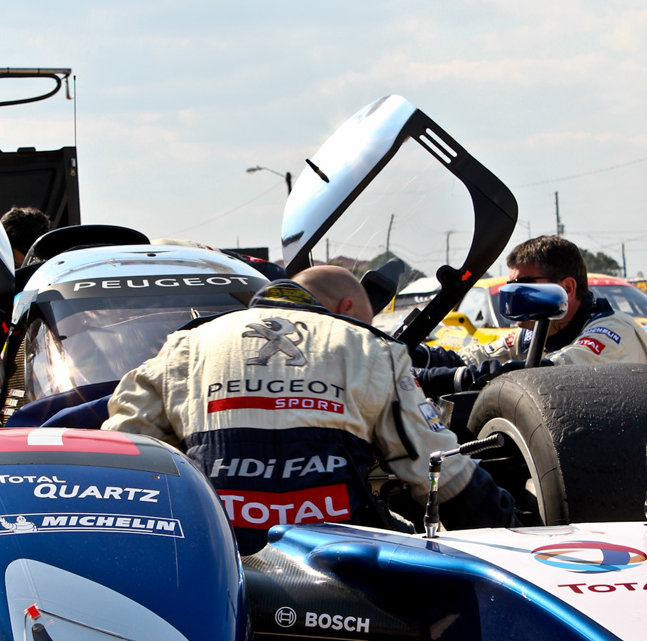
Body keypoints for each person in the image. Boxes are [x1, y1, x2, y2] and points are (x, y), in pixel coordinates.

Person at [102, 265, 514, 553]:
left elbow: (122, 454)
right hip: (334, 562)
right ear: (347, 309)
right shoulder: (370, 345)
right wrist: (506, 525)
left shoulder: (185, 345)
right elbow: (434, 463)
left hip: (220, 557)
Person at [414, 236, 647, 395]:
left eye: (524, 286)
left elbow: (546, 375)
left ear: (567, 289)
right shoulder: (535, 333)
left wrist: (425, 380)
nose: (514, 296)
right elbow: (473, 360)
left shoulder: (613, 333)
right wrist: (410, 355)